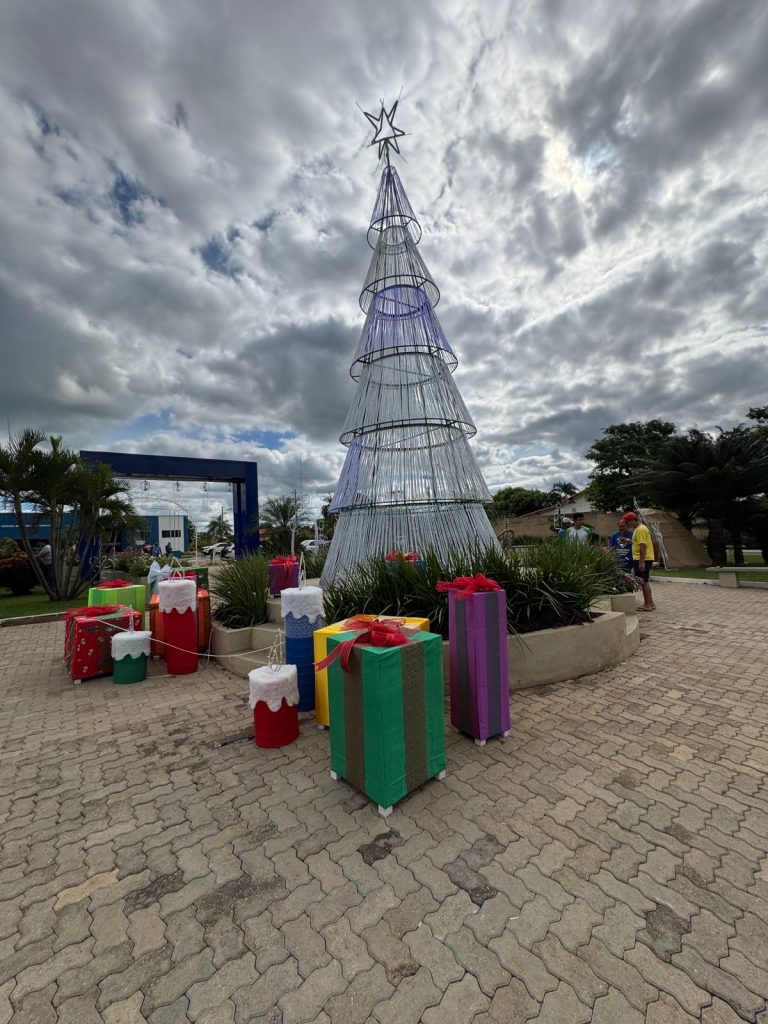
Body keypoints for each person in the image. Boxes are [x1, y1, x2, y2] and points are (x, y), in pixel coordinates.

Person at [621, 512, 656, 610]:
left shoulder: (640, 530)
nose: (627, 525)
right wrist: (627, 541)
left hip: (642, 559)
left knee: (643, 582)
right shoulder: (639, 529)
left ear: (633, 520)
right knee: (644, 581)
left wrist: (641, 562)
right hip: (643, 558)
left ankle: (648, 605)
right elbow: (637, 543)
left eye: (627, 522)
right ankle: (650, 603)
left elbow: (643, 546)